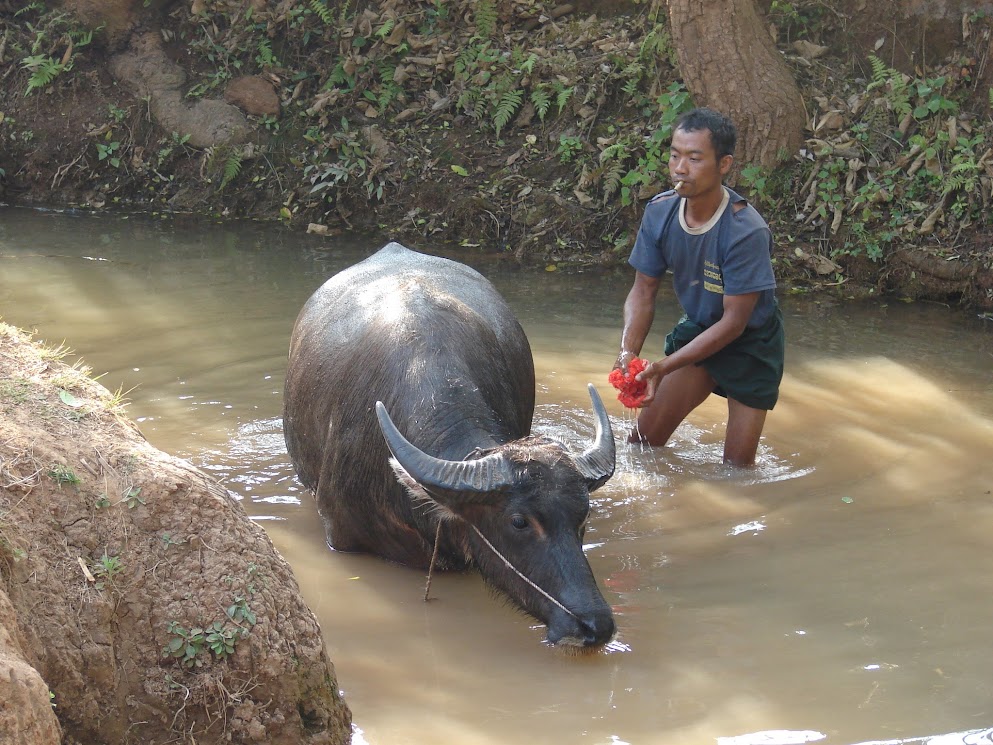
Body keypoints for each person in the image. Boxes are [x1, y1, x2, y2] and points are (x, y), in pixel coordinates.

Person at [613, 107, 784, 466]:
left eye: (694, 158)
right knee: (640, 447)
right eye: (675, 155)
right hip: (701, 329)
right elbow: (643, 289)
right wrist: (628, 352)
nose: (679, 168)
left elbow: (735, 323)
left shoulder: (745, 231)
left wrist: (662, 367)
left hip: (750, 343)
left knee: (737, 470)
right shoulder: (660, 212)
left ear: (724, 164)